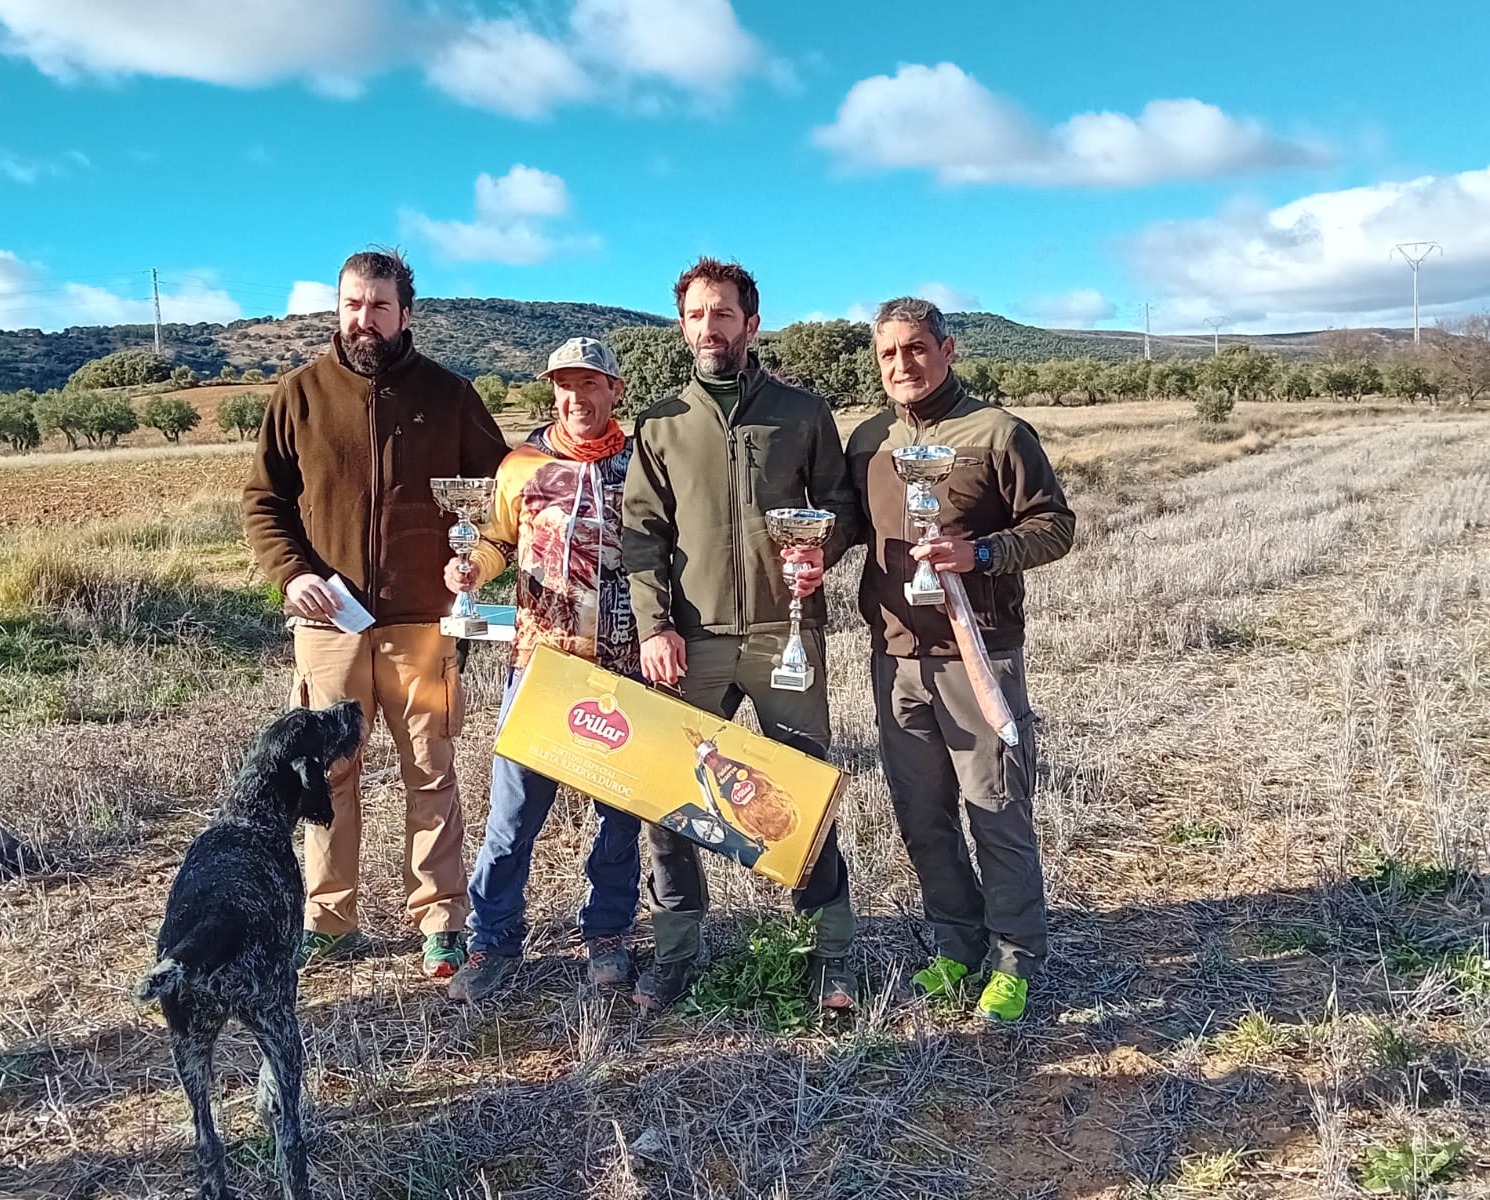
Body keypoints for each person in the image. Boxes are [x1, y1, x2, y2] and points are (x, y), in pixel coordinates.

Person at [243, 247, 509, 978]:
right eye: (353, 304)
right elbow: (263, 502)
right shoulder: (297, 395)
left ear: (406, 313)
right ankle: (329, 920)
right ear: (338, 308)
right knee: (328, 775)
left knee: (431, 769)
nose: (365, 318)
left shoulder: (452, 395)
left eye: (380, 306)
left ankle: (441, 919)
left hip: (423, 625)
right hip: (328, 624)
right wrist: (292, 574)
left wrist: (478, 559)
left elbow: (502, 498)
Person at [623, 257, 859, 1012]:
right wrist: (656, 625)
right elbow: (640, 535)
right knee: (670, 801)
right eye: (696, 314)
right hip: (688, 642)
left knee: (802, 793)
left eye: (723, 314)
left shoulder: (803, 412)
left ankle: (832, 955)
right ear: (682, 323)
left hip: (781, 633)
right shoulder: (660, 423)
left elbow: (840, 505)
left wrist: (823, 552)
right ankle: (677, 952)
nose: (709, 328)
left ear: (751, 324)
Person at [845, 296, 1074, 1021]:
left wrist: (979, 553)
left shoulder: (998, 432)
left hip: (979, 654)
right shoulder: (870, 439)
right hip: (894, 656)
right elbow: (849, 526)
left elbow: (1055, 527)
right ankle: (956, 943)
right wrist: (805, 556)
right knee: (922, 815)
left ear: (947, 350)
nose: (902, 365)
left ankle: (1016, 956)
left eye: (916, 349)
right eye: (888, 354)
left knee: (997, 809)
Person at [440, 337, 643, 1002]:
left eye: (592, 384)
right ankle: (493, 941)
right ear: (551, 389)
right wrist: (474, 568)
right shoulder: (521, 465)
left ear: (616, 391)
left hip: (622, 667)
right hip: (539, 667)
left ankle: (608, 937)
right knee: (512, 817)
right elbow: (497, 539)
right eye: (565, 384)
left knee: (616, 816)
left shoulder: (641, 464)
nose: (577, 397)